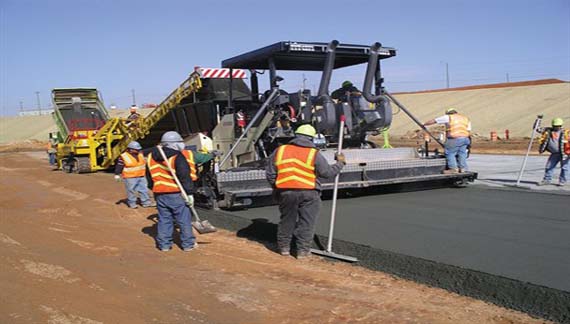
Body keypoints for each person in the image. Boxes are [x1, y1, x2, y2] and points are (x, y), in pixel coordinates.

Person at [265, 124, 346, 259]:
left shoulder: (280, 150)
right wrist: (340, 163)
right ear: (312, 139)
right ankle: (303, 252)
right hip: (309, 192)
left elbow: (270, 174)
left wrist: (277, 188)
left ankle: (284, 248)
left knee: (287, 220)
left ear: (295, 136)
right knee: (307, 222)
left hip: (286, 192)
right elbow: (327, 173)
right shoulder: (313, 154)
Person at [146, 131, 197, 252]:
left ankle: (164, 245)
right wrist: (189, 193)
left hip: (159, 193)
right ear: (174, 144)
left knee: (164, 219)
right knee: (184, 220)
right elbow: (184, 176)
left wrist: (155, 187)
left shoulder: (150, 156)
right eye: (180, 142)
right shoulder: (177, 156)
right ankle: (188, 244)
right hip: (176, 193)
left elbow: (148, 177)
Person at [423, 108, 471, 173]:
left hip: (454, 139)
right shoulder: (465, 118)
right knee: (462, 153)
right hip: (465, 139)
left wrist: (425, 124)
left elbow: (434, 121)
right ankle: (462, 169)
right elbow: (468, 130)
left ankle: (453, 169)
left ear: (449, 113)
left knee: (450, 153)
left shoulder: (448, 117)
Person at [114, 141, 155, 209]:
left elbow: (149, 150)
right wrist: (117, 174)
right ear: (130, 149)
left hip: (141, 175)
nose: (138, 150)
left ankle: (146, 202)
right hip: (130, 177)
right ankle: (132, 203)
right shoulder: (124, 156)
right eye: (136, 149)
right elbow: (119, 166)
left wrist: (157, 147)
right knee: (131, 190)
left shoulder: (140, 153)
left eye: (138, 149)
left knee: (144, 189)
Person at [537, 118, 569, 186]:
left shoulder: (566, 133)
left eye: (558, 126)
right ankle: (547, 180)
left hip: (564, 153)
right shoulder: (547, 131)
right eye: (555, 126)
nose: (556, 127)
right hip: (554, 153)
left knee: (565, 168)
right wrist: (538, 120)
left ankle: (562, 181)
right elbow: (537, 128)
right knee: (549, 166)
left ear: (561, 125)